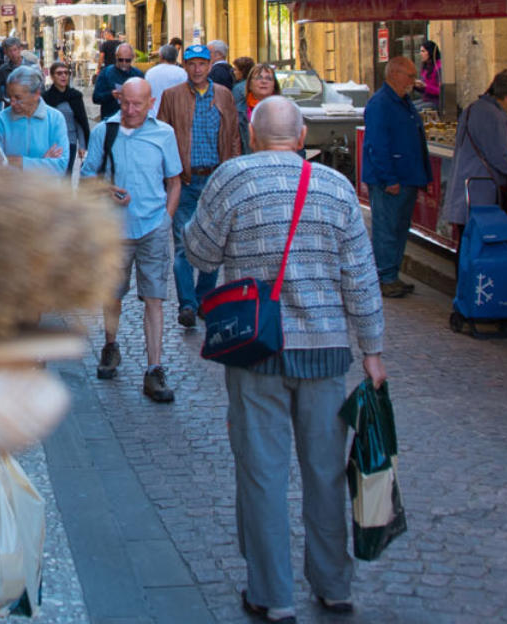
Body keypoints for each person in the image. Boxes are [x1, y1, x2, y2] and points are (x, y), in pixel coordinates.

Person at [186, 96, 386, 623]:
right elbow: (360, 277)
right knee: (325, 474)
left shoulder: (232, 179)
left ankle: (272, 595)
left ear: (253, 136)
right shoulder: (338, 188)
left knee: (261, 473)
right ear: (301, 139)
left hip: (257, 351)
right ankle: (334, 584)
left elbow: (201, 255)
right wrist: (373, 351)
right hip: (324, 351)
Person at [79, 78, 181, 403]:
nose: (131, 110)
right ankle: (111, 346)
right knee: (113, 294)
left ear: (151, 103)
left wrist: (167, 217)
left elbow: (174, 181)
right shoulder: (103, 131)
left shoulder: (163, 134)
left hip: (152, 227)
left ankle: (154, 369)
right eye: (125, 103)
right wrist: (106, 190)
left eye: (138, 104)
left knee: (154, 298)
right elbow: (86, 177)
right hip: (115, 228)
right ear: (118, 98)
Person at [157, 43, 240, 327]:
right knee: (183, 244)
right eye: (191, 64)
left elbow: (233, 137)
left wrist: (233, 170)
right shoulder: (172, 96)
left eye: (202, 64)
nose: (197, 69)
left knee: (213, 245)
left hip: (216, 179)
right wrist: (168, 176)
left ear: (209, 65)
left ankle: (205, 299)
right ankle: (188, 305)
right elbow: (162, 135)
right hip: (185, 180)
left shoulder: (224, 95)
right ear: (185, 67)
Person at [361, 55, 432, 298]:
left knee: (400, 227)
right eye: (409, 75)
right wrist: (389, 178)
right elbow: (377, 145)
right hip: (390, 180)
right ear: (394, 75)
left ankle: (392, 274)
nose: (413, 80)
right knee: (386, 228)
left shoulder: (404, 102)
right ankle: (385, 276)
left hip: (407, 176)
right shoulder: (380, 104)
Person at [440, 69, 507, 242]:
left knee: (467, 249)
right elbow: (502, 161)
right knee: (479, 250)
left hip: (464, 194)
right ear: (506, 97)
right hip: (480, 196)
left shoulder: (472, 108)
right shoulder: (493, 116)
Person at [0, 65, 69, 175]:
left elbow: (60, 166)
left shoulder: (55, 119)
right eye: (9, 96)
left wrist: (19, 162)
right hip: (10, 192)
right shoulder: (0, 121)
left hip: (45, 192)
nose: (11, 103)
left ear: (36, 94)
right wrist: (43, 163)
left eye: (18, 98)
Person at [43, 60, 90, 175]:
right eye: (59, 73)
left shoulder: (75, 96)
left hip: (70, 142)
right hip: (51, 142)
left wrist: (82, 146)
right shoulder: (46, 98)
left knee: (67, 175)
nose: (63, 76)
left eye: (66, 73)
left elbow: (80, 121)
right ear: (52, 77)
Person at [234, 62, 281, 154]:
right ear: (250, 84)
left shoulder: (285, 111)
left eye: (269, 78)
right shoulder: (237, 112)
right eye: (259, 78)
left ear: (274, 85)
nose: (264, 81)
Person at [92, 42, 143, 120]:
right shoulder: (106, 73)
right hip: (111, 119)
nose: (124, 63)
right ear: (116, 56)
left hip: (132, 120)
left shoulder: (138, 74)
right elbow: (96, 98)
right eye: (121, 60)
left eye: (127, 60)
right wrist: (111, 95)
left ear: (132, 58)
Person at [145, 42, 187, 117]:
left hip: (154, 116)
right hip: (175, 116)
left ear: (161, 57)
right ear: (176, 57)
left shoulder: (150, 73)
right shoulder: (182, 73)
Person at [416, 39, 442, 112]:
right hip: (426, 99)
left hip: (436, 102)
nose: (421, 54)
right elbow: (423, 90)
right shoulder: (426, 67)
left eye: (423, 51)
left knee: (414, 110)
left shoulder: (438, 67)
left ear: (430, 52)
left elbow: (441, 91)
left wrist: (426, 86)